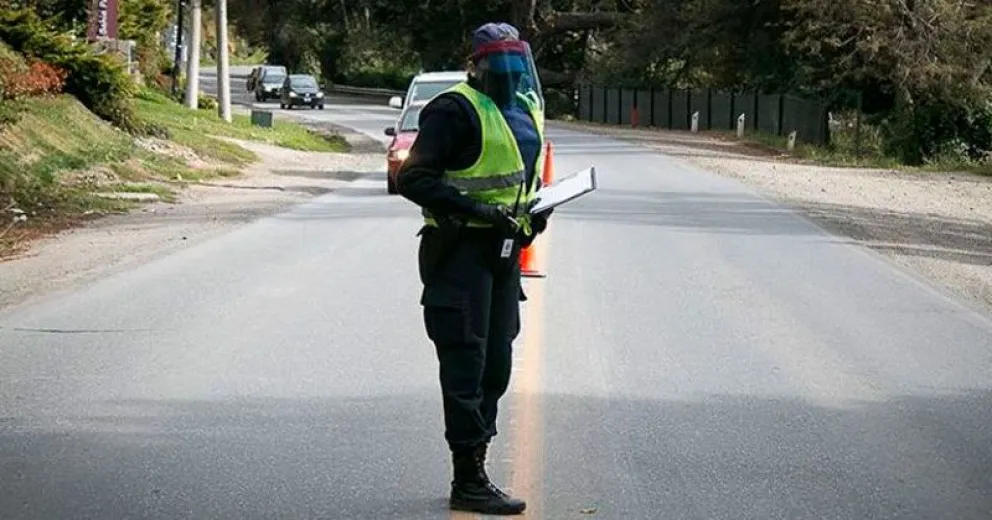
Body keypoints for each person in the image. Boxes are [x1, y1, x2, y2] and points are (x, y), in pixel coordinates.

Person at [395, 21, 553, 516]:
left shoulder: (525, 108)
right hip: (459, 252)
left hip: (504, 255)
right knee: (466, 361)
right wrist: (475, 209)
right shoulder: (453, 110)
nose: (507, 75)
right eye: (498, 66)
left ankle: (477, 462)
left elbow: (520, 182)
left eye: (515, 65)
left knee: (496, 365)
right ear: (477, 65)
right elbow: (413, 178)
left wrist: (535, 213)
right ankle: (468, 478)